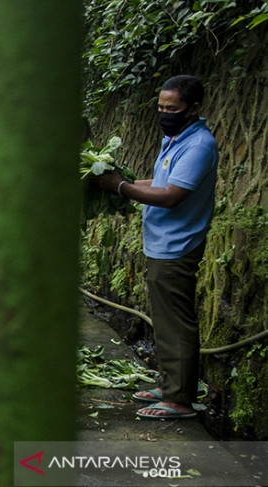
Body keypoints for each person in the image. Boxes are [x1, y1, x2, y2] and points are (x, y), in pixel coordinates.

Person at [94, 75, 219, 419]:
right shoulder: (176, 139)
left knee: (176, 322)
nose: (165, 113)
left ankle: (179, 400)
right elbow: (161, 182)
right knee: (164, 321)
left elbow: (172, 196)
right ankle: (169, 385)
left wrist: (121, 188)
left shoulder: (198, 146)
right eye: (161, 107)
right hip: (162, 244)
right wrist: (123, 180)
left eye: (172, 108)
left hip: (178, 245)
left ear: (193, 108)